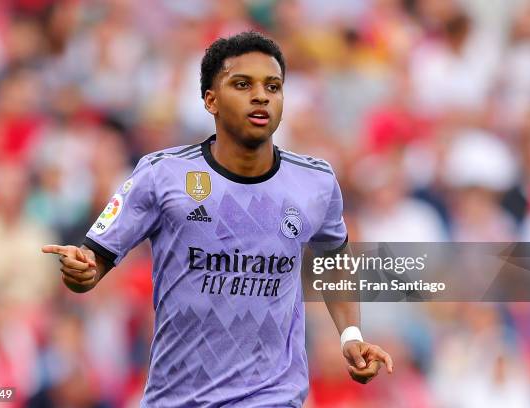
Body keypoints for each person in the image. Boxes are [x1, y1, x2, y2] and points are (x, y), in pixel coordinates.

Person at [42, 31, 393, 407]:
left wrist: (350, 334)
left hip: (273, 397)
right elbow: (93, 263)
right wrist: (82, 271)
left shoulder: (316, 182)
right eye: (242, 84)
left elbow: (334, 259)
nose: (261, 95)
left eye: (272, 86)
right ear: (210, 100)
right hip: (178, 397)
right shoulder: (162, 175)